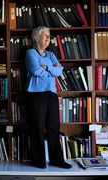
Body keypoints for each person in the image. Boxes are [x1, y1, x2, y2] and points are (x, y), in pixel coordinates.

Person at [25, 26, 72, 169]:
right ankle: (38, 160)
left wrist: (47, 68)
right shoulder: (31, 53)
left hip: (51, 93)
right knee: (37, 128)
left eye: (49, 36)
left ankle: (56, 159)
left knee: (53, 127)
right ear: (37, 37)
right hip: (36, 94)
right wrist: (50, 70)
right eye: (45, 35)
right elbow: (35, 70)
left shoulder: (51, 55)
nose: (48, 38)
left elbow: (60, 70)